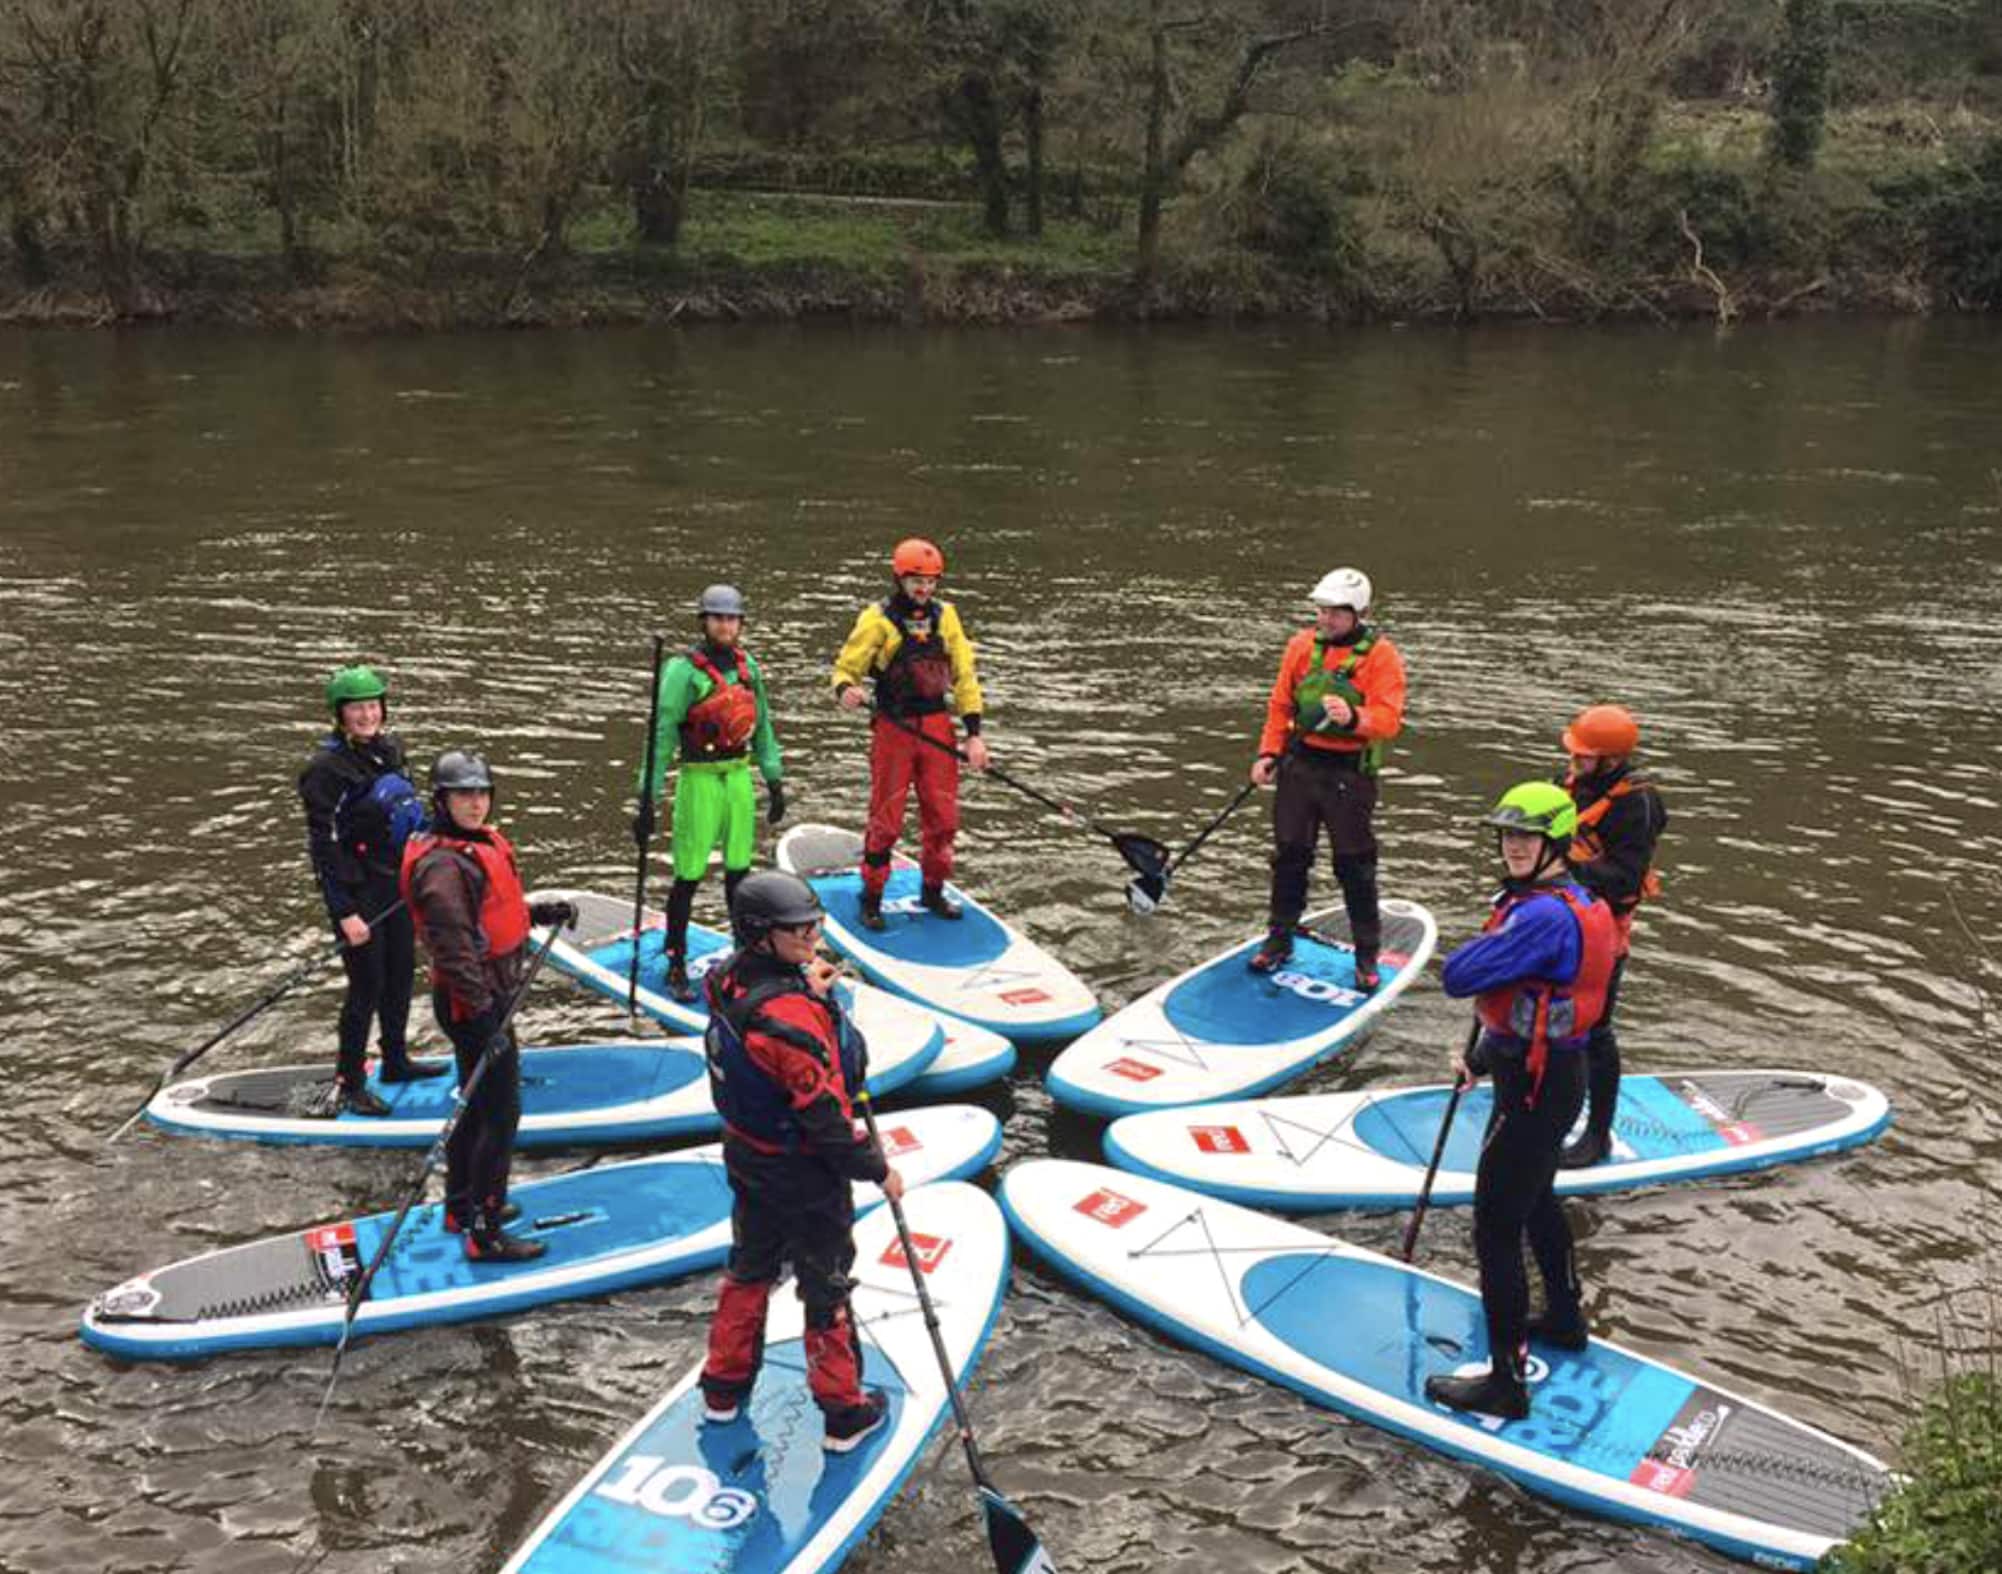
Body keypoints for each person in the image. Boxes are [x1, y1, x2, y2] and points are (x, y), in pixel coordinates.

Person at [1424, 782, 1619, 1421]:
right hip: (1544, 1073)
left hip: (1535, 1088)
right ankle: (1565, 1320)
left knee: (1495, 1225)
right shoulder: (1575, 900)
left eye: (1526, 837)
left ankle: (1506, 1381)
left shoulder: (1539, 914)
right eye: (1506, 835)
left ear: (1555, 844)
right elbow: (1534, 1003)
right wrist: (1482, 1057)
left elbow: (1458, 977)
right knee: (1537, 1203)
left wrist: (1482, 948)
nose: (1512, 846)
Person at [697, 870, 905, 1450]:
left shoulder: (726, 980)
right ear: (761, 935)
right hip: (804, 1172)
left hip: (747, 1157)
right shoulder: (790, 1022)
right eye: (797, 931)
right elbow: (830, 1127)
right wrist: (878, 1169)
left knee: (750, 1267)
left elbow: (760, 1005)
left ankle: (722, 1390)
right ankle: (843, 1414)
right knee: (825, 1284)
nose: (812, 937)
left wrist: (803, 986)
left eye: (813, 924)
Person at [401, 749, 576, 1263]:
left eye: (481, 793)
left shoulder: (474, 847)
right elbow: (453, 949)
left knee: (479, 1107)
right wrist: (482, 1017)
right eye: (463, 795)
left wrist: (539, 913)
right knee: (501, 1112)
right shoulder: (440, 867)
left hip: (483, 997)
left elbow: (492, 916)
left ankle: (460, 1206)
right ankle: (485, 1230)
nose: (476, 804)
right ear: (442, 800)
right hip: (472, 1001)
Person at [1248, 568, 1407, 988]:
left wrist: (1355, 717)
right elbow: (1280, 707)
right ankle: (1278, 940)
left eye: (1337, 612)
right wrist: (1268, 753)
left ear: (1359, 613)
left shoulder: (1381, 657)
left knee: (1354, 866)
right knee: (1289, 857)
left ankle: (1367, 956)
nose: (1327, 619)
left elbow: (1389, 720)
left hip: (1348, 776)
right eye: (1323, 611)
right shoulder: (1301, 647)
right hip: (1299, 766)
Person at [297, 663, 444, 1118]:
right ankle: (350, 1080)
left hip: (395, 883)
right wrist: (344, 913)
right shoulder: (325, 770)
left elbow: (408, 815)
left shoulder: (390, 750)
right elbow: (324, 848)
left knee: (401, 972)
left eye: (373, 706)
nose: (367, 715)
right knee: (366, 984)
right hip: (357, 894)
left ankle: (396, 1059)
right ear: (339, 715)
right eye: (356, 709)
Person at [636, 585, 786, 1002]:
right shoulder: (683, 672)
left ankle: (745, 958)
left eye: (732, 618)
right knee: (688, 874)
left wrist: (773, 779)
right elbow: (662, 735)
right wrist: (647, 797)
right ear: (704, 621)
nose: (725, 625)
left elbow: (764, 726)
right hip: (699, 778)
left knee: (740, 876)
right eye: (718, 618)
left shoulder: (747, 666)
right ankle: (676, 961)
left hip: (738, 776)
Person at [831, 538, 989, 932]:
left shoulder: (946, 617)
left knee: (944, 816)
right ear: (900, 578)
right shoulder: (878, 619)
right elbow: (845, 669)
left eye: (931, 582)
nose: (924, 589)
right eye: (917, 581)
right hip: (894, 728)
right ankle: (871, 898)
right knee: (887, 818)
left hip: (937, 726)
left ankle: (933, 891)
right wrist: (845, 690)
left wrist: (973, 735)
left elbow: (964, 676)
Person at [1557, 704, 1670, 1169]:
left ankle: (1597, 1135)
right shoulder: (1571, 783)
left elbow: (1625, 876)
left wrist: (1564, 869)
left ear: (1610, 759)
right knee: (1559, 1022)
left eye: (1583, 755)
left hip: (1605, 928)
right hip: (1563, 916)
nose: (1573, 760)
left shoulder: (1636, 804)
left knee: (1594, 1032)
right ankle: (1556, 1111)